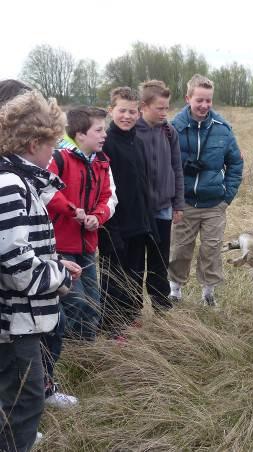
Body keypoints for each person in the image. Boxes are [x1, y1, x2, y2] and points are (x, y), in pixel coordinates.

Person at [0, 89, 80, 452]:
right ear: (34, 144)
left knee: (21, 401)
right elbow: (17, 270)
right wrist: (60, 276)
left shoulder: (20, 180)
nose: (54, 154)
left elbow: (18, 250)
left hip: (21, 320)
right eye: (52, 144)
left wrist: (52, 263)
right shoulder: (11, 185)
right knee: (24, 403)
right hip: (14, 323)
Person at [168, 75, 243, 305]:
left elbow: (236, 163)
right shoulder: (173, 129)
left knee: (211, 250)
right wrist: (173, 198)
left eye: (208, 101)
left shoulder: (223, 129)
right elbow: (164, 165)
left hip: (214, 204)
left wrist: (226, 197)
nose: (204, 105)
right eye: (199, 100)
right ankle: (175, 291)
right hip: (184, 203)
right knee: (180, 250)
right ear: (188, 98)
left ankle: (208, 293)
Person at [46, 106, 113, 341]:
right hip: (62, 247)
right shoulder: (58, 159)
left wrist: (98, 216)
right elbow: (47, 192)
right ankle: (68, 352)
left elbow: (107, 195)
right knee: (76, 302)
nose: (105, 134)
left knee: (92, 303)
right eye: (99, 130)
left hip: (87, 246)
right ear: (80, 134)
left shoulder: (101, 162)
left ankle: (87, 353)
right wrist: (72, 211)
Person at [99, 87, 153, 339]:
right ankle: (112, 326)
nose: (127, 116)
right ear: (111, 111)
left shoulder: (138, 141)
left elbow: (142, 185)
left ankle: (131, 316)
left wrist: (147, 222)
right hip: (114, 225)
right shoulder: (106, 144)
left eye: (133, 112)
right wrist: (111, 228)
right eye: (122, 110)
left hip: (138, 223)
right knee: (114, 277)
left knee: (134, 273)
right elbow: (104, 190)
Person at [135, 80, 184, 314]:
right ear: (144, 106)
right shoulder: (131, 130)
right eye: (160, 108)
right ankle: (131, 311)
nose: (165, 113)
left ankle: (162, 309)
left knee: (159, 262)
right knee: (134, 264)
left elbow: (177, 168)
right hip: (138, 211)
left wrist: (178, 204)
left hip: (164, 208)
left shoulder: (169, 131)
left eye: (167, 108)